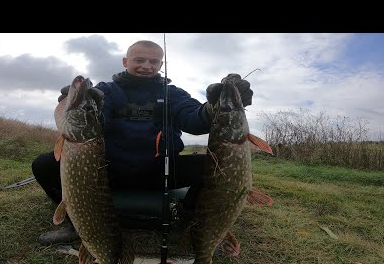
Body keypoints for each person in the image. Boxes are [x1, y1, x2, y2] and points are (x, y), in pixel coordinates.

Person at [32, 40, 254, 245]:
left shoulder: (173, 94)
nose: (147, 65)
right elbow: (96, 125)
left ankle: (188, 221)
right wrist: (78, 106)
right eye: (139, 60)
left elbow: (194, 120)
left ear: (161, 64)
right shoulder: (105, 91)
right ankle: (76, 223)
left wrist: (213, 107)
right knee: (44, 164)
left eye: (154, 61)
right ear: (125, 61)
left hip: (161, 172)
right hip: (108, 170)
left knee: (216, 166)